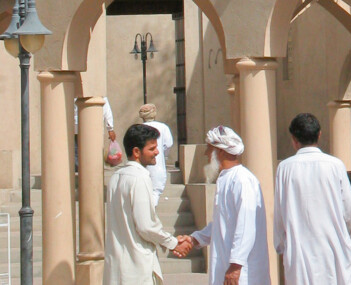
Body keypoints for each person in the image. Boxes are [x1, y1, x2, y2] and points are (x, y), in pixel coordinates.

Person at [176, 126, 270, 285]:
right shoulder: (226, 179)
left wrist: (235, 265)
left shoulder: (242, 180)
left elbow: (246, 225)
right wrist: (194, 239)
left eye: (209, 149)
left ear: (220, 151)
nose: (206, 154)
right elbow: (222, 225)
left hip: (243, 272)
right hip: (227, 267)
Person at [273, 113, 351, 285]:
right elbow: (350, 212)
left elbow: (279, 215)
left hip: (299, 256)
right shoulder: (335, 165)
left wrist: (282, 248)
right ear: (319, 134)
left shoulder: (285, 168)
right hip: (334, 253)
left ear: (294, 139)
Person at [104, 124, 192, 285]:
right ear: (137, 152)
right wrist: (173, 243)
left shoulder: (116, 178)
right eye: (152, 149)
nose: (157, 152)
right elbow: (146, 226)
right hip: (136, 269)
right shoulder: (139, 178)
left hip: (116, 269)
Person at [139, 104, 173, 205]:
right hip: (157, 166)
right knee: (154, 193)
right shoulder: (163, 127)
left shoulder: (139, 129)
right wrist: (162, 154)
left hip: (141, 166)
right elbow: (168, 144)